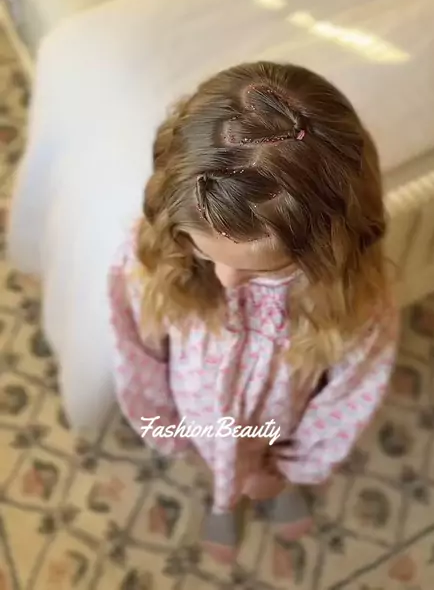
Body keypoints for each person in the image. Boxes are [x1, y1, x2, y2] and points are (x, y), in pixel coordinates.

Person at [108, 61, 399, 564]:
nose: (225, 280)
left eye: (264, 269)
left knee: (263, 471)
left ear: (327, 250)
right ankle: (224, 499)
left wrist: (296, 464)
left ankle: (272, 484)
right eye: (205, 253)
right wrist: (162, 424)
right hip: (197, 417)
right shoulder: (153, 256)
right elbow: (136, 346)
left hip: (279, 426)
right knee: (218, 463)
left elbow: (350, 392)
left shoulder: (354, 300)